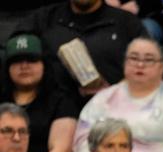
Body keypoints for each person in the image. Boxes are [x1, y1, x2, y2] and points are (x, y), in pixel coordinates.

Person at [18, 0, 146, 99]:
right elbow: (15, 54)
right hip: (53, 110)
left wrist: (116, 91)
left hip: (114, 109)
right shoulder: (43, 19)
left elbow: (149, 65)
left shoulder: (126, 22)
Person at [0, 33, 78, 152]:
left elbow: (62, 151)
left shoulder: (61, 101)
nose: (24, 66)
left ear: (44, 65)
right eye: (17, 61)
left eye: (32, 60)